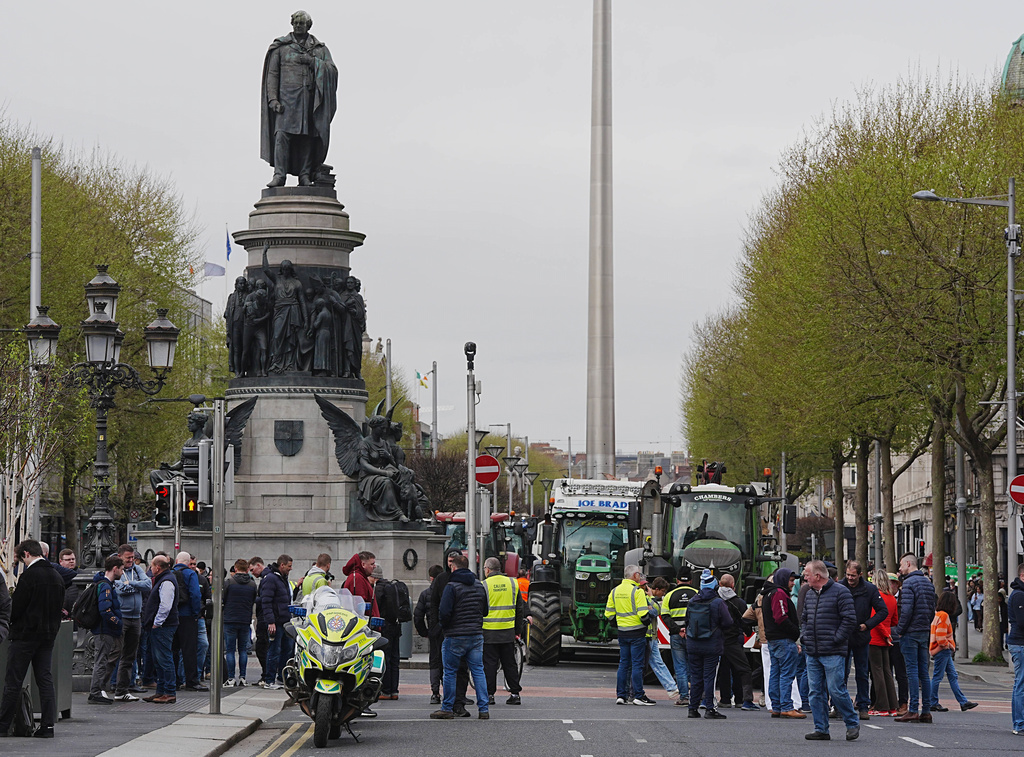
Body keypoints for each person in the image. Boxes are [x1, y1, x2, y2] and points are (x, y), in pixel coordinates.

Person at [261, 10, 338, 187]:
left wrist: (313, 62)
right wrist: (273, 99)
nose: (297, 26)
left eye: (301, 23)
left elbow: (332, 70)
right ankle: (279, 175)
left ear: (308, 26)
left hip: (308, 102)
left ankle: (304, 175)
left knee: (306, 137)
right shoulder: (281, 48)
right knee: (281, 136)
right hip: (286, 102)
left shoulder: (319, 49)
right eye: (295, 23)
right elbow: (272, 75)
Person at [0, 540, 65, 738]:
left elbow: (16, 608)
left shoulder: (29, 576)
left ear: (27, 554)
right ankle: (47, 726)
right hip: (47, 636)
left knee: (14, 680)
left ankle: (3, 725)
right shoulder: (56, 576)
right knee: (45, 680)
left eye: (21, 558)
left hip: (25, 636)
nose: (22, 562)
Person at [800, 560, 859, 742]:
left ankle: (852, 722)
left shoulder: (841, 592)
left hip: (833, 651)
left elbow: (849, 619)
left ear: (817, 576)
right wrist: (805, 636)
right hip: (813, 650)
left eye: (807, 573)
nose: (804, 576)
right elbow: (804, 619)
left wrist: (835, 639)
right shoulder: (809, 594)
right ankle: (821, 728)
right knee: (815, 692)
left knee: (836, 690)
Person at [431, 553, 490, 720]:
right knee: (478, 671)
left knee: (450, 672)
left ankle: (447, 708)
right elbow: (485, 611)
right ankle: (483, 709)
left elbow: (444, 612)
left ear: (453, 567)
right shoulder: (479, 586)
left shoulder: (451, 586)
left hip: (455, 635)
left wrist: (444, 626)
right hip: (476, 635)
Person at [839, 560, 887, 719]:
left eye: (853, 576)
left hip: (861, 636)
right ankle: (838, 705)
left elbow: (882, 611)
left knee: (862, 672)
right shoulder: (839, 586)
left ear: (860, 574)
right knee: (840, 673)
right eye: (848, 575)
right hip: (843, 636)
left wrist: (868, 625)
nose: (850, 578)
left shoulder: (869, 589)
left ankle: (863, 706)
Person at [683, 569, 732, 720]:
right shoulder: (718, 602)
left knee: (696, 677)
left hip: (693, 644)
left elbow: (687, 621)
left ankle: (692, 708)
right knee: (709, 677)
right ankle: (710, 708)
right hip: (711, 645)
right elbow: (728, 622)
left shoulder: (692, 601)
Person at [893, 554, 936, 723]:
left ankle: (912, 710)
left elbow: (907, 610)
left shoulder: (909, 583)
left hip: (910, 632)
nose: (900, 569)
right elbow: (932, 608)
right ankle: (926, 710)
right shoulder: (927, 582)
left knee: (911, 671)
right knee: (923, 673)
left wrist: (900, 630)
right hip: (924, 630)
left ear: (909, 564)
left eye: (902, 565)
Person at [605, 565, 655, 706]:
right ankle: (638, 695)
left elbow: (608, 614)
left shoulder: (614, 591)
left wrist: (620, 624)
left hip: (623, 633)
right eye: (639, 574)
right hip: (637, 633)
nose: (640, 576)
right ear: (634, 576)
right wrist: (647, 622)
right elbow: (643, 614)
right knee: (637, 665)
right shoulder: (637, 592)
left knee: (623, 664)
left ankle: (621, 695)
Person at [430, 552, 472, 716]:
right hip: (445, 630)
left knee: (460, 669)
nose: (450, 565)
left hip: (458, 629)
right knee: (446, 668)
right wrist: (435, 627)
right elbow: (433, 604)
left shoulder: (463, 580)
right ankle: (449, 700)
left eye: (452, 562)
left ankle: (458, 702)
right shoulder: (441, 579)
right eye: (448, 561)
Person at [482, 557, 525, 705]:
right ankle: (515, 694)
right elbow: (519, 609)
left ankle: (489, 695)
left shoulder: (484, 585)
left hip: (489, 632)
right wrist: (517, 630)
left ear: (487, 569)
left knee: (489, 665)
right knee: (510, 664)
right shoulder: (513, 583)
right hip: (508, 632)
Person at [763, 568, 805, 719]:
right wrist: (795, 632)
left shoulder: (768, 593)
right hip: (783, 639)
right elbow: (781, 617)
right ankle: (786, 706)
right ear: (783, 580)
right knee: (787, 674)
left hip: (773, 639)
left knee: (775, 673)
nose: (793, 583)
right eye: (791, 580)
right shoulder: (779, 594)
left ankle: (776, 706)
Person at [929, 590, 978, 713]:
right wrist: (949, 645)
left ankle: (963, 702)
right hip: (942, 650)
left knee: (952, 676)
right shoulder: (944, 616)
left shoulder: (937, 614)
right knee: (938, 677)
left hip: (939, 650)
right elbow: (941, 638)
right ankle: (933, 702)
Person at [111, 544, 149, 700]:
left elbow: (147, 584)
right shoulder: (116, 570)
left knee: (130, 656)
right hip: (123, 617)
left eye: (133, 558)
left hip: (136, 617)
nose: (131, 561)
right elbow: (119, 589)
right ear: (120, 557)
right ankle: (105, 687)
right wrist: (136, 586)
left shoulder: (136, 570)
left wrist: (130, 584)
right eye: (128, 558)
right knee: (115, 654)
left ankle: (123, 689)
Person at [716, 574, 757, 710]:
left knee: (723, 670)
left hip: (719, 640)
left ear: (720, 584)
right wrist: (747, 631)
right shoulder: (738, 602)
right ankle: (742, 699)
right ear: (733, 585)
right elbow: (745, 620)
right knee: (742, 669)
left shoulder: (716, 600)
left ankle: (725, 699)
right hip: (735, 640)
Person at [142, 555, 178, 704]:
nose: (150, 568)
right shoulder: (165, 579)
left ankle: (169, 692)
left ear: (157, 567)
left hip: (163, 626)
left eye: (151, 566)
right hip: (160, 625)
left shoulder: (167, 581)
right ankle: (161, 691)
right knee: (159, 659)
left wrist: (157, 622)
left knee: (164, 659)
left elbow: (165, 605)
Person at [89, 555, 125, 704]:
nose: (123, 573)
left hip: (104, 629)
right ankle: (95, 692)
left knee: (103, 659)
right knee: (101, 660)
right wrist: (117, 622)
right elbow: (105, 610)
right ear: (115, 569)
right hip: (104, 630)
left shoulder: (104, 584)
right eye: (122, 569)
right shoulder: (106, 586)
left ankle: (97, 691)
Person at [661, 568, 697, 706]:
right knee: (694, 666)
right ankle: (696, 696)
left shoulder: (669, 595)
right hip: (693, 636)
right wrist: (688, 630)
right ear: (691, 580)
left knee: (680, 667)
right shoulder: (697, 594)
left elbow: (665, 616)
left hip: (676, 636)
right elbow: (702, 615)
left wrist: (678, 629)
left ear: (677, 580)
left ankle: (684, 697)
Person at [171, 552, 207, 692]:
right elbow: (195, 595)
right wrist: (195, 613)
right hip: (187, 616)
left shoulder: (171, 573)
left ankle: (174, 680)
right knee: (189, 650)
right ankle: (191, 681)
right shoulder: (190, 574)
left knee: (173, 650)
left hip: (173, 616)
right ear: (187, 562)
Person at [868, 570, 899, 715]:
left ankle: (882, 706)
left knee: (877, 673)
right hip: (887, 638)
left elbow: (875, 618)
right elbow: (894, 620)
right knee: (887, 672)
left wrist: (884, 633)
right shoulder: (892, 598)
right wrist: (888, 633)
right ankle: (893, 705)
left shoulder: (876, 597)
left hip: (875, 636)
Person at [260, 555, 294, 689]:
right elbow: (266, 601)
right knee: (274, 651)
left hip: (285, 621)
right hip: (276, 621)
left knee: (286, 650)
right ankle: (269, 680)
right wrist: (270, 621)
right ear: (282, 565)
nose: (291, 569)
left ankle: (281, 677)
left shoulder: (281, 578)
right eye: (289, 566)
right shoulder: (272, 579)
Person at [224, 558, 258, 686]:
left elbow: (224, 599)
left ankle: (231, 678)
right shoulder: (252, 584)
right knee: (243, 650)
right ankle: (243, 677)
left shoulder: (229, 582)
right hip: (245, 620)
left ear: (236, 568)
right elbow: (254, 599)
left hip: (230, 619)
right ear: (247, 569)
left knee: (231, 650)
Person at [414, 564, 445, 704]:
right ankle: (450, 691)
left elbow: (418, 616)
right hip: (447, 630)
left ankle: (435, 692)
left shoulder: (426, 593)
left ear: (431, 578)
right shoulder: (447, 591)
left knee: (434, 662)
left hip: (433, 632)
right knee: (448, 662)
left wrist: (424, 632)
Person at [645, 577, 679, 702]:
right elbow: (656, 611)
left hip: (650, 635)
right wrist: (652, 600)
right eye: (663, 591)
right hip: (647, 635)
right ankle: (671, 688)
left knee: (655, 662)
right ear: (657, 589)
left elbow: (654, 610)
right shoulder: (647, 597)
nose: (663, 594)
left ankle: (671, 688)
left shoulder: (648, 597)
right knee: (654, 662)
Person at [373, 565, 402, 699]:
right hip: (395, 626)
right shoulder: (392, 586)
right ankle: (394, 690)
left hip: (384, 627)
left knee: (385, 658)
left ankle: (385, 690)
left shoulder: (378, 589)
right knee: (395, 659)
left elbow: (376, 609)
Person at [1008, 562, 1024, 734]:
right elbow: (1021, 621)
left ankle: (1020, 722)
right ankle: (1019, 723)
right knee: (1020, 684)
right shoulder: (1019, 595)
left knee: (1020, 684)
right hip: (1020, 644)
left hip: (1019, 643)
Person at [248, 557, 270, 676]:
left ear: (258, 565)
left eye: (252, 569)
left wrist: (253, 598)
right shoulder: (266, 577)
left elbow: (264, 599)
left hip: (264, 618)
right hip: (264, 617)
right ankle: (266, 674)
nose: (252, 573)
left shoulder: (266, 579)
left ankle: (266, 675)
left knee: (262, 648)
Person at [342, 551, 379, 617]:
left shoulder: (360, 577)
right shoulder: (357, 578)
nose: (375, 566)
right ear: (363, 565)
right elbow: (360, 605)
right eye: (372, 564)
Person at [56, 548, 80, 616]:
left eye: (73, 559)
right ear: (60, 561)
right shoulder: (56, 575)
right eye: (68, 560)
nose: (71, 561)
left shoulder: (81, 575)